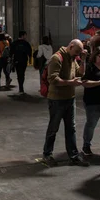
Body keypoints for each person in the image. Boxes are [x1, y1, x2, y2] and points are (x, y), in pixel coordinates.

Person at [41, 39, 89, 167]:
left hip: (70, 98)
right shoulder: (57, 58)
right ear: (71, 46)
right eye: (77, 52)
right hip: (56, 100)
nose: (77, 54)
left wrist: (83, 60)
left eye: (79, 53)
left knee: (71, 128)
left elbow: (80, 73)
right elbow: (53, 79)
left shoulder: (72, 58)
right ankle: (47, 154)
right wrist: (71, 83)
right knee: (53, 128)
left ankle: (73, 155)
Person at [81, 46, 100, 156]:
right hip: (92, 101)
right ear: (95, 56)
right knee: (91, 124)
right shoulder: (90, 67)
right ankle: (86, 146)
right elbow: (84, 83)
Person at [10, 31, 32, 95]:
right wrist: (30, 59)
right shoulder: (26, 43)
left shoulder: (14, 43)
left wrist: (10, 59)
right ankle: (21, 87)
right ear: (22, 35)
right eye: (25, 35)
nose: (26, 36)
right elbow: (29, 51)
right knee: (22, 73)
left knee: (19, 74)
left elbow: (11, 52)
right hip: (24, 61)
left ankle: (20, 87)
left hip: (16, 61)